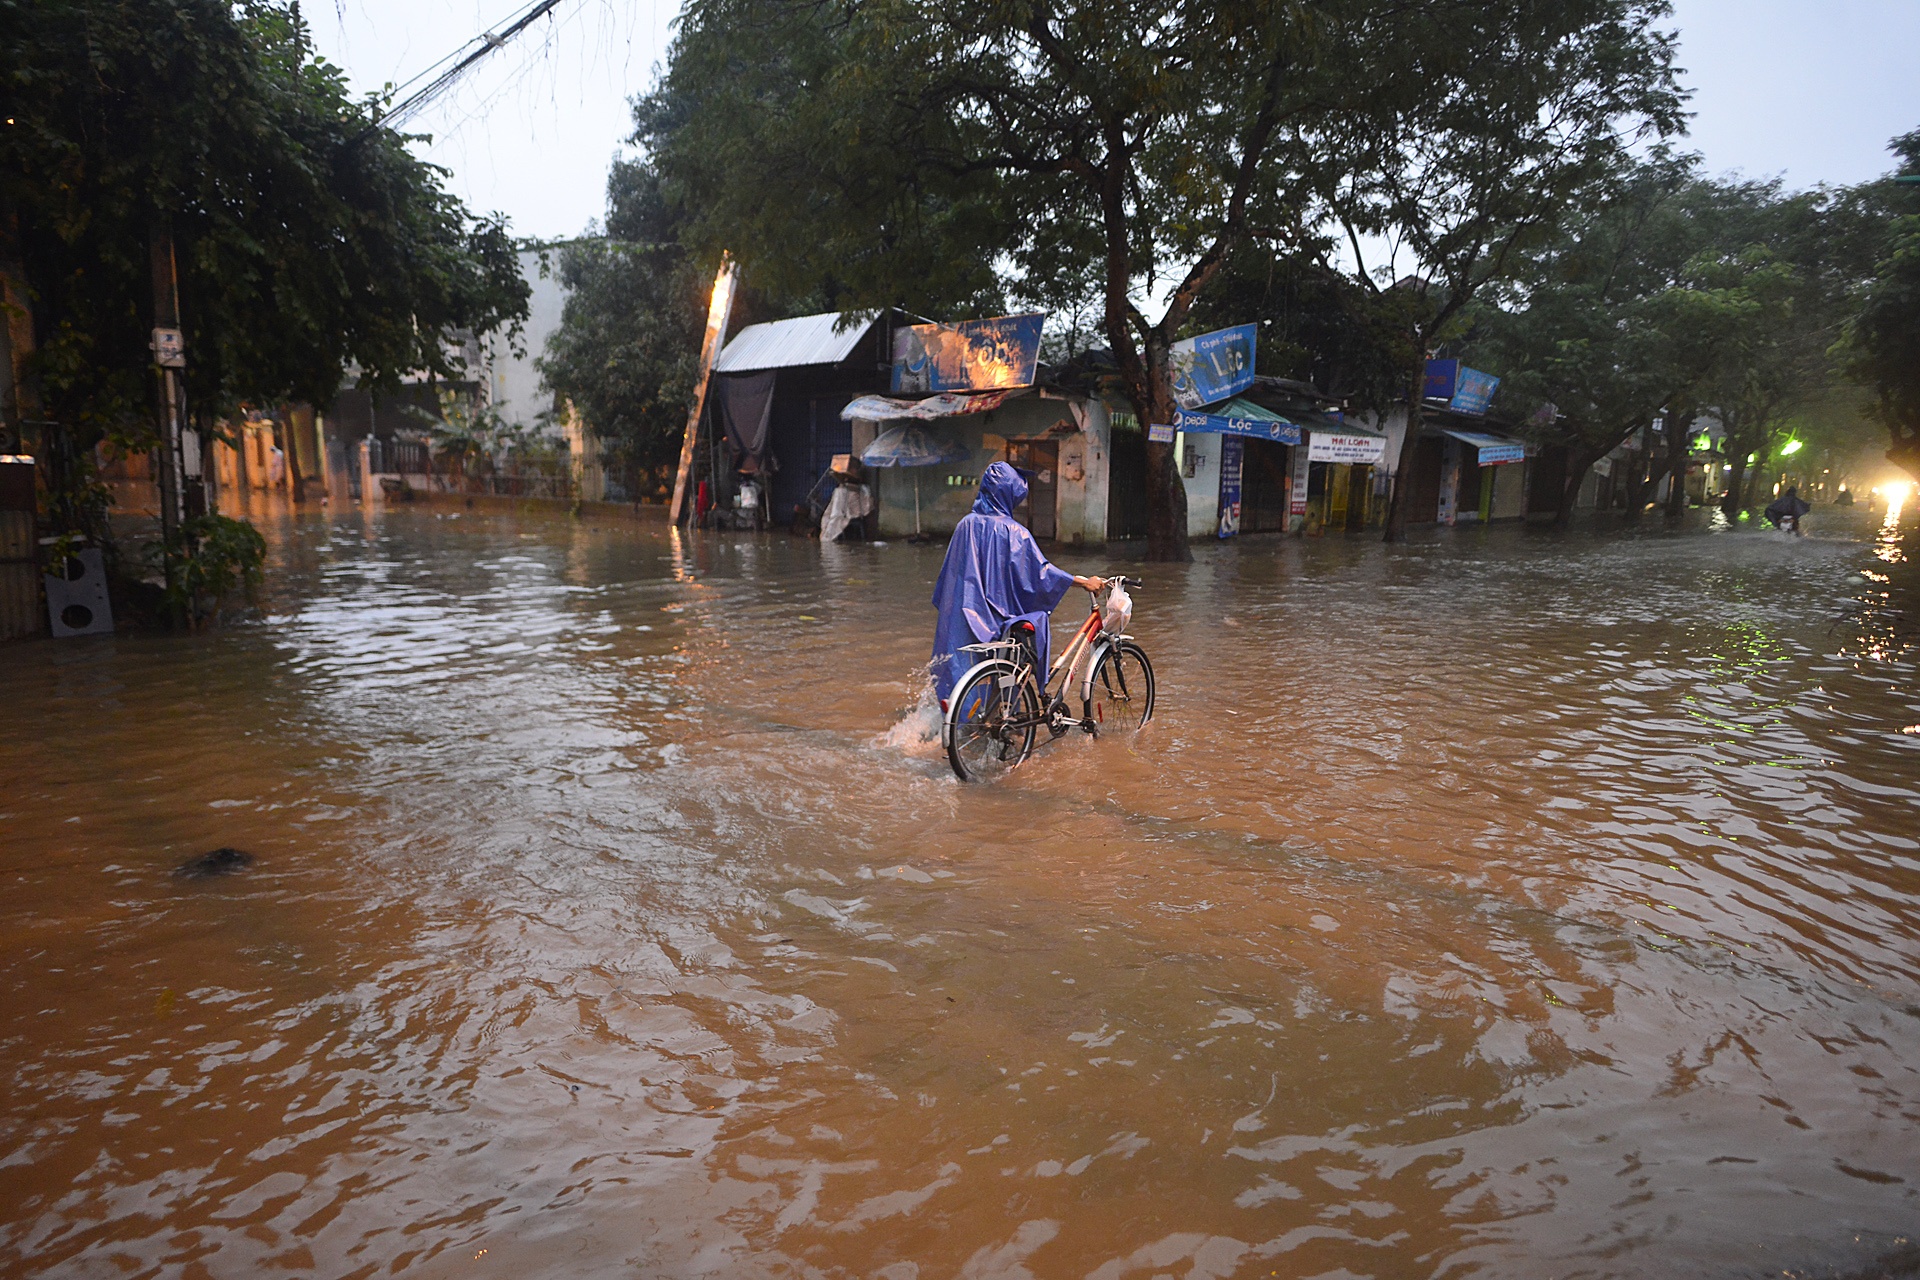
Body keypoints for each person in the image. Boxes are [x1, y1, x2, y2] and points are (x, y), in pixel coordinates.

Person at [929, 461, 1103, 706]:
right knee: (1013, 663)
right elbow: (1041, 575)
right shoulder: (1014, 532)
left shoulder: (964, 525)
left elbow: (947, 579)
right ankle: (1016, 716)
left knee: (961, 672)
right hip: (997, 623)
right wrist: (1082, 582)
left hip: (959, 617)